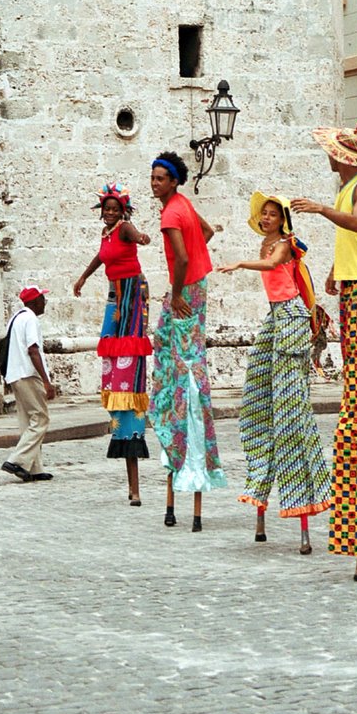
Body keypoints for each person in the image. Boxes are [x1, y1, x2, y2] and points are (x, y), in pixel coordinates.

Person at [291, 120, 357, 582]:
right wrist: (334, 269)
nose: (329, 158)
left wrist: (316, 209)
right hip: (353, 287)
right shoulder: (348, 187)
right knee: (356, 383)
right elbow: (353, 239)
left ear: (347, 156)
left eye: (334, 153)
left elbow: (356, 223)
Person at [218, 192, 332, 554]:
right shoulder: (268, 242)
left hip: (292, 318)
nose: (267, 218)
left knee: (289, 412)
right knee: (258, 403)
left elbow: (273, 265)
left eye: (272, 214)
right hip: (275, 318)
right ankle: (259, 491)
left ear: (283, 219)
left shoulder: (284, 244)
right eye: (263, 214)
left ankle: (302, 501)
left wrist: (239, 264)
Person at [148, 151, 227, 531]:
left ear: (175, 181)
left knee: (178, 370)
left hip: (186, 291)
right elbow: (206, 233)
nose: (155, 182)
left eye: (161, 178)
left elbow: (179, 257)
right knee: (190, 359)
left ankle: (175, 423)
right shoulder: (184, 205)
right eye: (153, 177)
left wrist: (176, 292)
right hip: (200, 287)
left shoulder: (170, 213)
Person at [74, 183, 153, 506]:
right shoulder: (107, 235)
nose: (109, 213)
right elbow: (100, 259)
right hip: (115, 297)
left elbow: (135, 236)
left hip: (131, 296)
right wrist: (82, 278)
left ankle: (132, 439)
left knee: (126, 357)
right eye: (105, 209)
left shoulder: (123, 229)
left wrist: (142, 238)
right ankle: (121, 426)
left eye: (114, 209)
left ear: (122, 211)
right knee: (111, 358)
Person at [1, 286, 56, 482]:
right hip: (28, 374)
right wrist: (46, 381)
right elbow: (33, 350)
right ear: (34, 301)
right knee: (41, 419)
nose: (45, 302)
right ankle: (17, 460)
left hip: (15, 374)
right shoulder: (31, 319)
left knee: (27, 421)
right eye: (42, 298)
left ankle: (34, 468)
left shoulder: (15, 318)